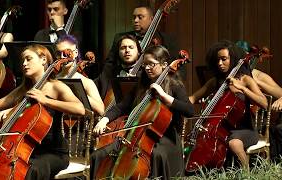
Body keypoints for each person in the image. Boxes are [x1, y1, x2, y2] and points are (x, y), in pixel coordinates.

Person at [0, 44, 85, 180]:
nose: (24, 64)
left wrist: (45, 100)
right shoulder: (24, 90)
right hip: (25, 151)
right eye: (23, 61)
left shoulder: (56, 87)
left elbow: (80, 109)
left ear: (43, 60)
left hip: (53, 153)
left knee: (31, 169)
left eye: (28, 59)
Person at [91, 45, 194, 179]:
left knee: (156, 155)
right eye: (145, 64)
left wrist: (165, 96)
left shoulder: (175, 86)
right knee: (98, 155)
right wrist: (104, 120)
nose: (146, 68)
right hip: (136, 136)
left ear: (164, 65)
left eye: (151, 64)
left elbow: (189, 111)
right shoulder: (141, 85)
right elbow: (121, 107)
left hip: (165, 137)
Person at [189, 40, 268, 169]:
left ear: (233, 59)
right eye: (218, 60)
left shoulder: (245, 79)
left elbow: (264, 103)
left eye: (224, 59)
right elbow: (192, 98)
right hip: (221, 130)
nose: (220, 63)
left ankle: (246, 174)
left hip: (245, 130)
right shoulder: (215, 82)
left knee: (234, 143)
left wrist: (243, 89)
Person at [103, 6, 184, 80]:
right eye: (134, 17)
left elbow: (179, 70)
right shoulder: (120, 38)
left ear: (152, 19)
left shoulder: (167, 39)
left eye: (140, 17)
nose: (135, 20)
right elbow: (109, 65)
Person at [55, 35, 104, 115]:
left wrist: (79, 92)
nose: (62, 57)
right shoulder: (53, 79)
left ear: (76, 53)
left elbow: (101, 110)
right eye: (58, 53)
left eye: (67, 52)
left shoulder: (86, 82)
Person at [95, 34, 141, 106]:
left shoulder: (145, 74)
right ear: (118, 52)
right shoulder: (108, 73)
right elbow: (91, 87)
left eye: (131, 47)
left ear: (138, 52)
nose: (127, 50)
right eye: (123, 48)